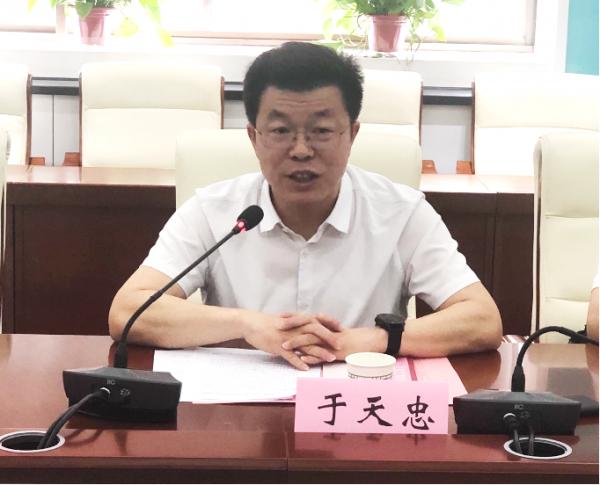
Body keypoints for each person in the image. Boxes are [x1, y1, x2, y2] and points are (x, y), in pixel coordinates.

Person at [109, 42, 502, 370]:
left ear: (352, 135)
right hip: (240, 413)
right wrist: (248, 325)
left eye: (321, 131)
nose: (301, 150)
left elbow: (482, 320)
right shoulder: (214, 210)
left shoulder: (402, 212)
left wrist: (366, 341)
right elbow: (128, 311)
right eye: (281, 131)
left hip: (360, 410)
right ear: (254, 138)